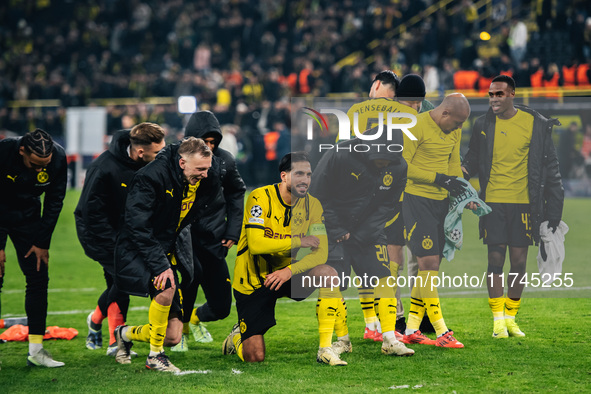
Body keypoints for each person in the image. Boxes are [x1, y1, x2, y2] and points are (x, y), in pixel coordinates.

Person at [462, 75, 564, 339]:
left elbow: (550, 167)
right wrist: (458, 176)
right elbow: (471, 158)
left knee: (518, 264)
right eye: (491, 94)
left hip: (524, 205)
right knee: (495, 260)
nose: (494, 99)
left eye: (499, 94)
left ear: (512, 95)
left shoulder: (536, 124)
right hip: (492, 203)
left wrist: (554, 210)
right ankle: (497, 321)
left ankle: (511, 318)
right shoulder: (482, 124)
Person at [222, 152, 346, 366]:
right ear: (284, 176)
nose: (305, 179)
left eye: (308, 174)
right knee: (255, 358)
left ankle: (325, 349)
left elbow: (321, 252)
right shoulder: (259, 197)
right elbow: (257, 244)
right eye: (298, 173)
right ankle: (237, 335)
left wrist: (290, 271)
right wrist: (298, 241)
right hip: (253, 281)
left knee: (328, 274)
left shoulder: (313, 205)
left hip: (286, 273)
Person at [113, 137, 219, 372]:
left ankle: (125, 334)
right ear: (182, 163)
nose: (205, 174)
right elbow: (137, 226)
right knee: (167, 284)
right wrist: (161, 264)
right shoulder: (151, 176)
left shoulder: (204, 177)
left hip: (167, 247)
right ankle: (155, 357)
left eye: (207, 169)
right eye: (200, 169)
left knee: (172, 336)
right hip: (138, 248)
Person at [310, 125, 415, 357]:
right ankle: (342, 340)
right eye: (380, 159)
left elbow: (389, 204)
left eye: (390, 159)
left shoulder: (399, 166)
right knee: (331, 283)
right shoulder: (339, 154)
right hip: (332, 229)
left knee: (385, 278)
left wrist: (362, 233)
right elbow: (316, 194)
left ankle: (389, 339)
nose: (385, 164)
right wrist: (337, 228)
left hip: (369, 232)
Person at [74, 122, 166, 355]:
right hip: (98, 235)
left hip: (127, 233)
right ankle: (115, 339)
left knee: (120, 281)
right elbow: (91, 213)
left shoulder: (148, 163)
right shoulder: (103, 168)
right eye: (158, 152)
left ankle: (98, 322)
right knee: (124, 280)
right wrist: (116, 244)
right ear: (140, 152)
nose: (162, 156)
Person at [401, 93, 472, 349]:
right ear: (444, 114)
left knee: (430, 268)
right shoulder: (414, 126)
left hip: (441, 203)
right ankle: (442, 331)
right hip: (416, 200)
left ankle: (411, 328)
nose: (460, 127)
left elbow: (453, 163)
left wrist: (465, 193)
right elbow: (403, 166)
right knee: (428, 263)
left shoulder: (453, 129)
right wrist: (439, 179)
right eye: (457, 122)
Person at [172, 111, 246, 351]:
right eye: (205, 142)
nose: (210, 147)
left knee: (222, 306)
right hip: (183, 238)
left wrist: (233, 231)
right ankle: (178, 332)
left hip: (214, 237)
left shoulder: (225, 161)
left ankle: (194, 318)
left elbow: (236, 193)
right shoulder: (173, 159)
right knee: (187, 284)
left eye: (213, 142)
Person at [0, 129, 67, 367]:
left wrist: (42, 242)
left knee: (38, 277)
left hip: (28, 218)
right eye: (35, 164)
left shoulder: (58, 158)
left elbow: (54, 201)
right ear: (21, 151)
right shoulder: (3, 152)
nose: (40, 170)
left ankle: (37, 351)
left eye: (44, 165)